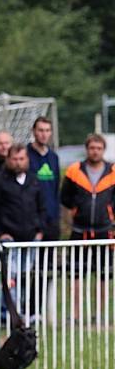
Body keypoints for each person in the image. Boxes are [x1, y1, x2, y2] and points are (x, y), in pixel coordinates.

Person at [0, 142, 45, 321]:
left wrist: (40, 230)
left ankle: (23, 312)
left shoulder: (34, 180)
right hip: (8, 239)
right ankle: (8, 314)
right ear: (8, 159)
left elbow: (42, 207)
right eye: (15, 159)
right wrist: (0, 233)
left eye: (22, 159)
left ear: (27, 159)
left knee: (26, 276)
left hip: (30, 238)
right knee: (9, 278)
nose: (18, 162)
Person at [59, 133, 115, 321]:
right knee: (76, 273)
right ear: (87, 149)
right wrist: (75, 209)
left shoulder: (113, 171)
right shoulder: (74, 170)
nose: (95, 152)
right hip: (79, 229)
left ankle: (100, 314)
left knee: (104, 274)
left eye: (99, 148)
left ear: (103, 150)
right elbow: (65, 197)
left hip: (104, 229)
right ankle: (75, 315)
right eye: (92, 148)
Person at [27, 117, 61, 242]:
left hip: (51, 218)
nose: (44, 134)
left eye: (47, 130)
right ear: (34, 131)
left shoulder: (53, 157)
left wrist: (56, 215)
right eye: (41, 130)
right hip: (31, 219)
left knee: (50, 259)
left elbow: (56, 187)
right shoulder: (25, 155)